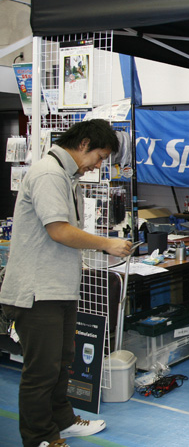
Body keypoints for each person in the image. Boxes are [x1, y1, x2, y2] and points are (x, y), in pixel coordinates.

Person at [0, 119, 133, 447]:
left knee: (60, 364)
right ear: (84, 144)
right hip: (37, 292)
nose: (98, 165)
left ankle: (63, 420)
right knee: (41, 371)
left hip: (58, 289)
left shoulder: (66, 177)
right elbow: (58, 230)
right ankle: (39, 437)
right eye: (100, 157)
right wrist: (106, 244)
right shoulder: (48, 174)